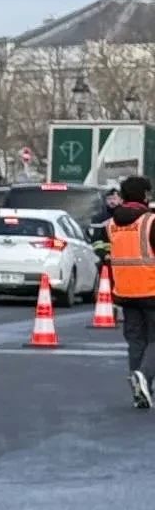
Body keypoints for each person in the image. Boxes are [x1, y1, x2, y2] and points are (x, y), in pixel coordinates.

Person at [107, 174, 155, 407]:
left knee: (136, 341)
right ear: (145, 195)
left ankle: (140, 391)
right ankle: (143, 375)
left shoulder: (112, 224)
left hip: (125, 291)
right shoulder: (150, 221)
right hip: (151, 289)